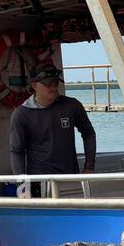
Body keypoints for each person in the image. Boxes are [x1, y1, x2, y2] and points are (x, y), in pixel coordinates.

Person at [9, 64, 97, 194]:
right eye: (48, 84)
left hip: (70, 178)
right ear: (34, 85)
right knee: (41, 214)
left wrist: (89, 166)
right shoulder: (22, 114)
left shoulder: (72, 105)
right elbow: (17, 151)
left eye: (55, 83)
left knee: (73, 213)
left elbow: (89, 134)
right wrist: (22, 185)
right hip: (38, 181)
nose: (53, 87)